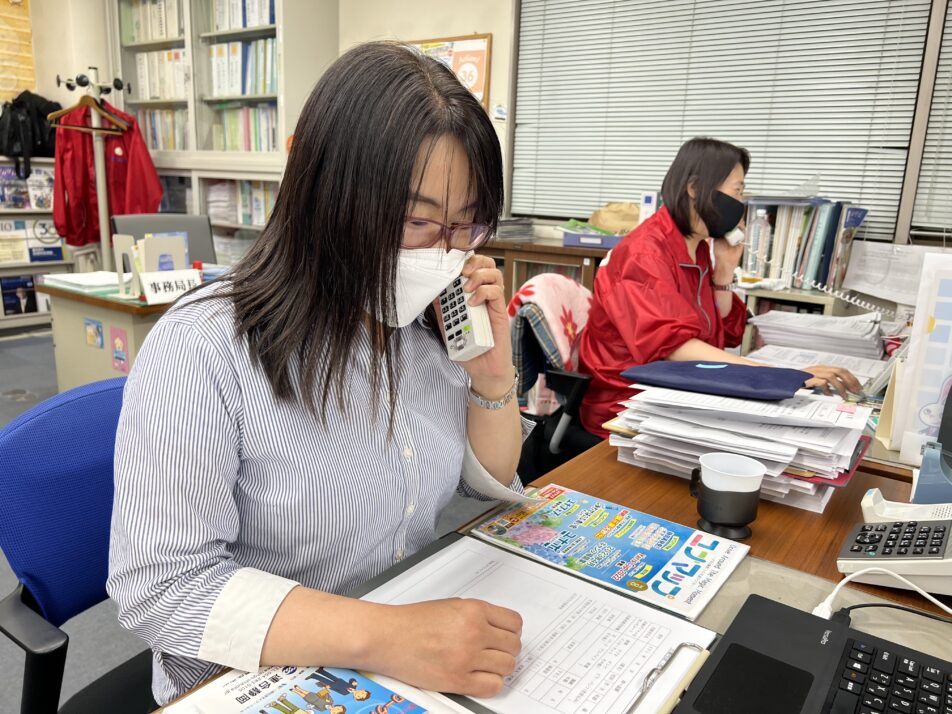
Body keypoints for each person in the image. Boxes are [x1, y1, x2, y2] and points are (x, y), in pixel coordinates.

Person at [106, 42, 526, 707]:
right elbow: (164, 589)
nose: (444, 254)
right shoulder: (205, 348)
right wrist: (387, 635)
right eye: (418, 222)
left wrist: (492, 380)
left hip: (395, 648)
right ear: (328, 198)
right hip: (249, 681)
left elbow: (486, 486)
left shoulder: (421, 330)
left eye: (465, 227)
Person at [578, 138, 862, 437]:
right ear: (695, 188)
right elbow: (673, 346)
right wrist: (777, 376)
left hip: (677, 387)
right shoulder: (644, 254)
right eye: (737, 190)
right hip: (628, 402)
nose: (741, 202)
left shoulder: (698, 246)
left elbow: (722, 334)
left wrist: (724, 270)